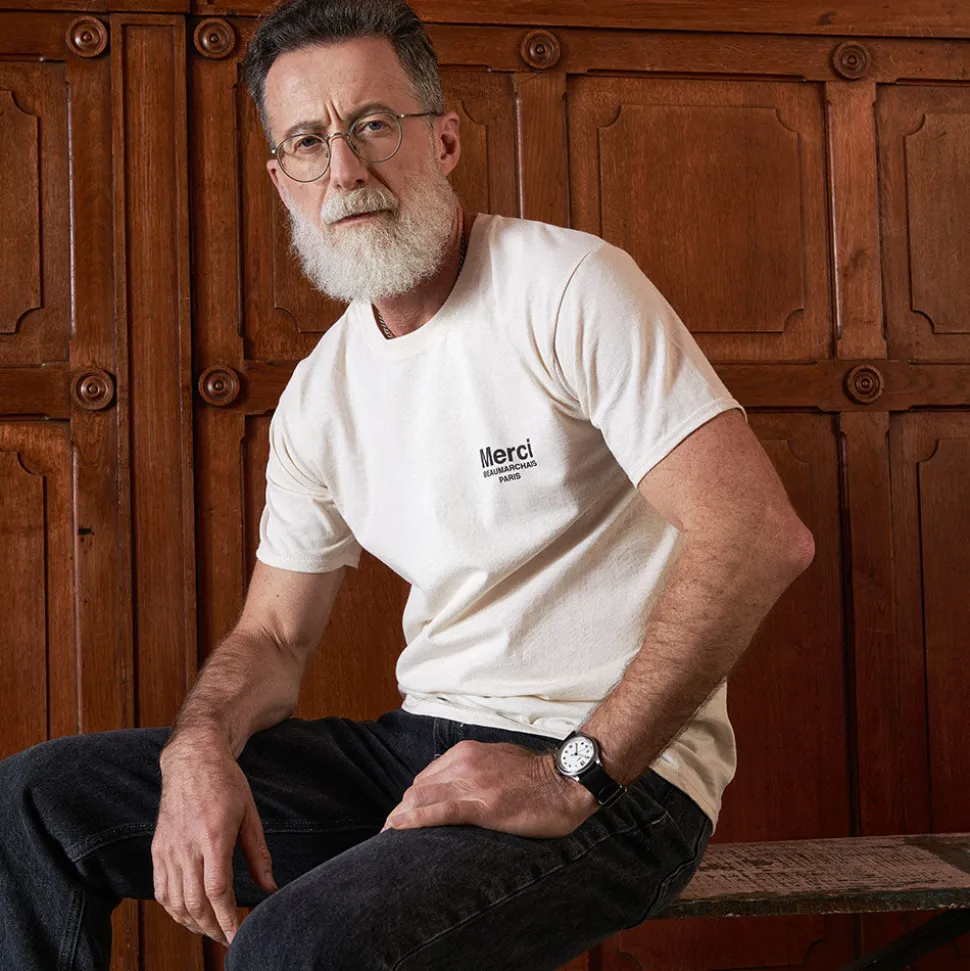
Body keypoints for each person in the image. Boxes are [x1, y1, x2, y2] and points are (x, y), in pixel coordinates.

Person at [0, 1, 815, 968]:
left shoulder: (566, 286)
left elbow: (755, 534)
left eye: (373, 125)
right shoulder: (320, 395)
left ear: (445, 140)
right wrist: (199, 744)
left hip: (620, 774)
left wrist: (569, 775)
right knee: (31, 805)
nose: (345, 169)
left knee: (291, 946)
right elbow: (273, 636)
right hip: (421, 748)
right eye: (309, 142)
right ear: (283, 180)